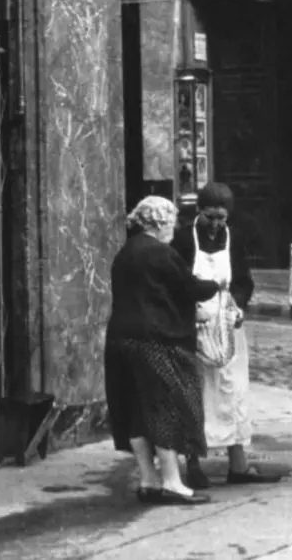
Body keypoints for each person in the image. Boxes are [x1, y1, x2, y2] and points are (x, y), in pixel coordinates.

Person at [104, 195, 229, 505]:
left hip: (121, 339)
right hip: (155, 341)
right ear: (160, 223)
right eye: (171, 222)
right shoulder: (161, 253)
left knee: (135, 410)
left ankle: (149, 480)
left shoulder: (125, 252)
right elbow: (188, 288)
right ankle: (172, 483)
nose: (173, 229)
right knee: (165, 408)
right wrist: (216, 284)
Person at [172, 182, 279, 488]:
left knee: (234, 392)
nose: (216, 224)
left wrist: (238, 306)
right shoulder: (183, 240)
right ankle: (193, 464)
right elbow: (176, 282)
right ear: (198, 211)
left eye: (221, 218)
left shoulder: (234, 238)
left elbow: (243, 281)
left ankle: (238, 465)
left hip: (228, 327)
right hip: (195, 326)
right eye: (210, 217)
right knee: (197, 394)